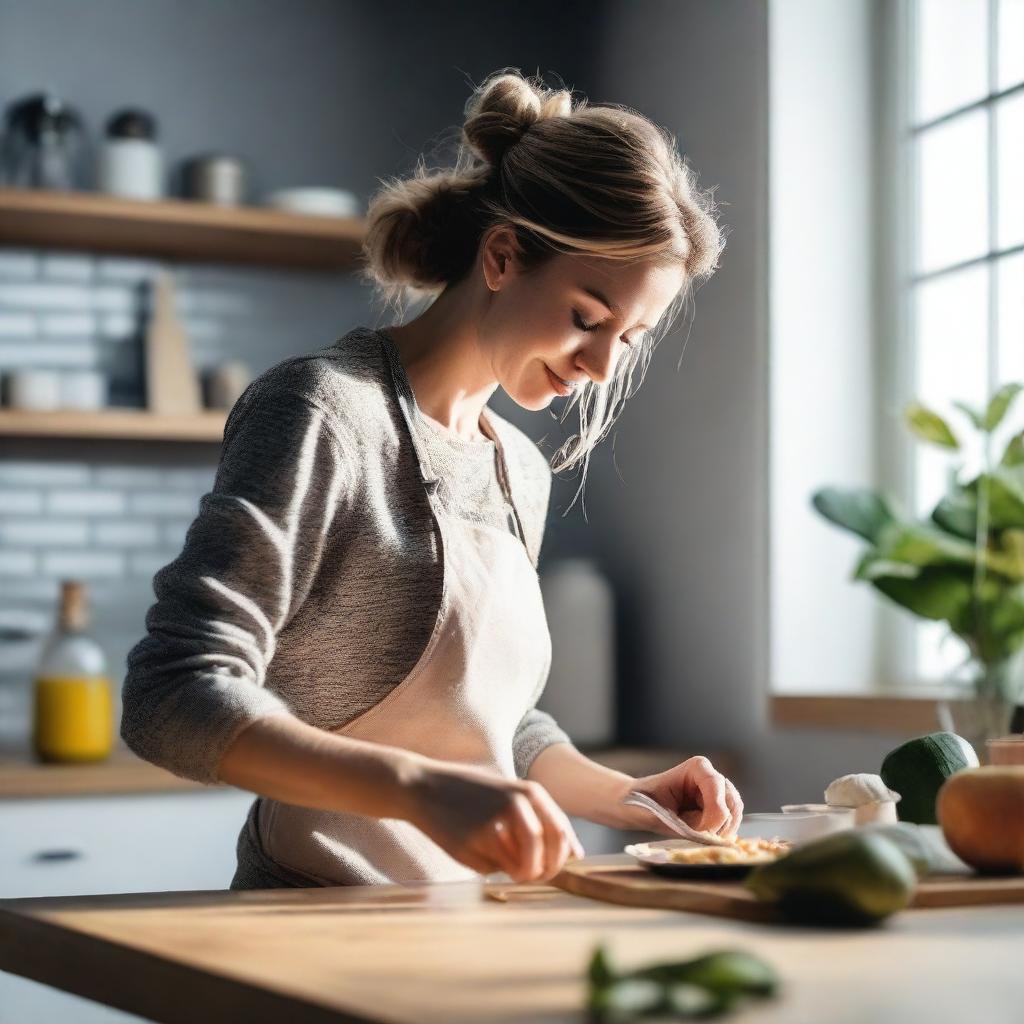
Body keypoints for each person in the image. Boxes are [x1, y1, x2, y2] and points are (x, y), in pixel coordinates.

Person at [120, 67, 738, 891]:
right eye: (588, 317)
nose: (598, 364)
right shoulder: (326, 412)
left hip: (465, 918)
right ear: (503, 255)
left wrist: (627, 796)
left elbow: (488, 728)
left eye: (630, 338)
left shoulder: (517, 467)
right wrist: (411, 790)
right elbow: (172, 694)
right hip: (313, 919)